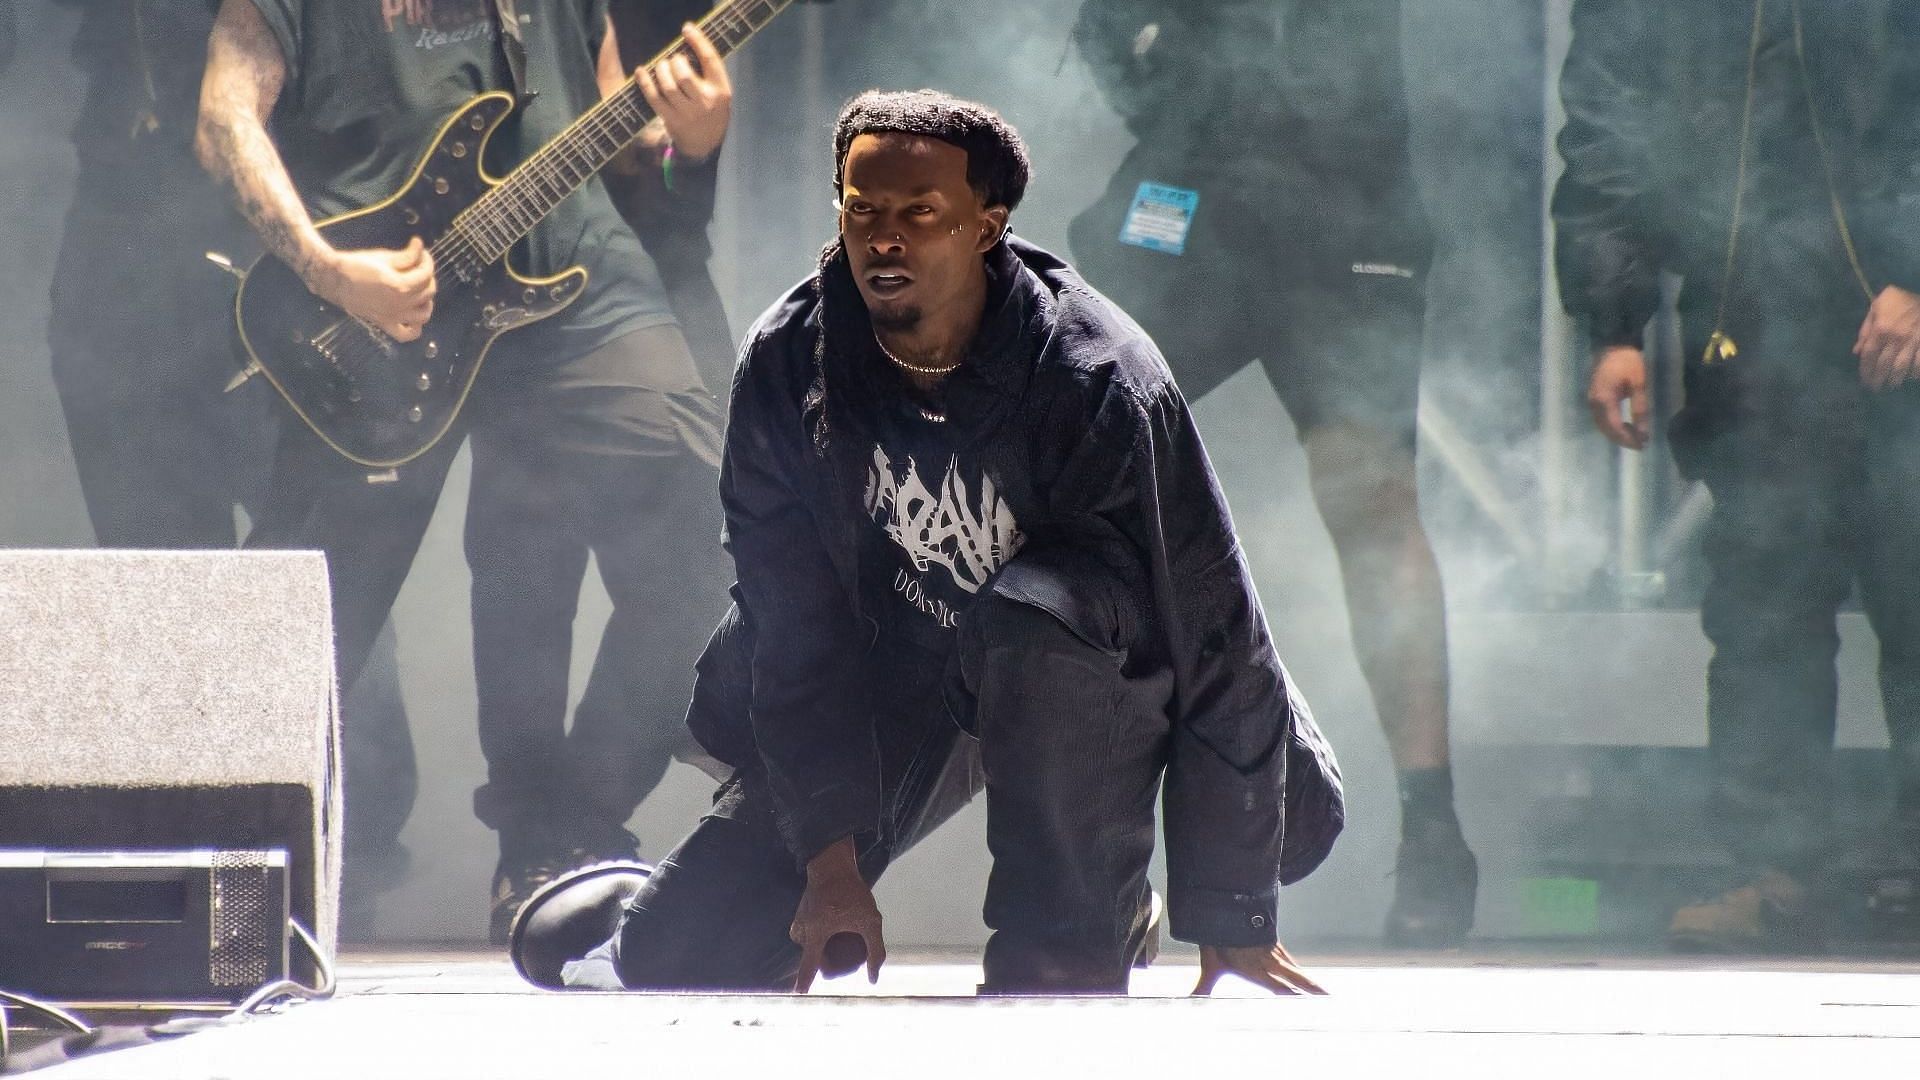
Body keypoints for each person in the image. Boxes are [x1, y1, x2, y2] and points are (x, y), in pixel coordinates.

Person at [508, 90, 1344, 995]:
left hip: (1082, 677)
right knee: (680, 959)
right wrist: (829, 868)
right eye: (862, 211)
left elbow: (1211, 617)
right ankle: (642, 907)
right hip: (901, 671)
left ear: (986, 227)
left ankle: (1098, 897)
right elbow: (789, 626)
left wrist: (1232, 907)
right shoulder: (792, 364)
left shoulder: (1096, 376)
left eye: (920, 213)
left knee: (1052, 968)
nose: (885, 238)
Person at [195, 0, 736, 943]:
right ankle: (225, 878)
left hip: (579, 281)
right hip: (377, 313)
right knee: (314, 602)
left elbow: (615, 125)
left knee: (711, 549)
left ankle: (564, 829)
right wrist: (327, 270)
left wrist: (687, 146)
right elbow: (222, 120)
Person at [1066, 0, 1475, 946]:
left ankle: (1435, 833)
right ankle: (1090, 839)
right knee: (1090, 467)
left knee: (1370, 498)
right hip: (1192, 191)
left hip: (1347, 205)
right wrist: (1167, 95)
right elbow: (1103, 30)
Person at [46, 0, 415, 939]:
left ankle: (341, 866)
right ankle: (209, 885)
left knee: (315, 574)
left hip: (282, 268)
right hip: (126, 271)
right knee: (168, 593)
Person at [1556, 0, 1920, 950]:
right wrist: (1615, 324)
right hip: (1754, 320)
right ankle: (1775, 874)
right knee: (1764, 604)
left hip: (1907, 314)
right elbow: (1606, 134)